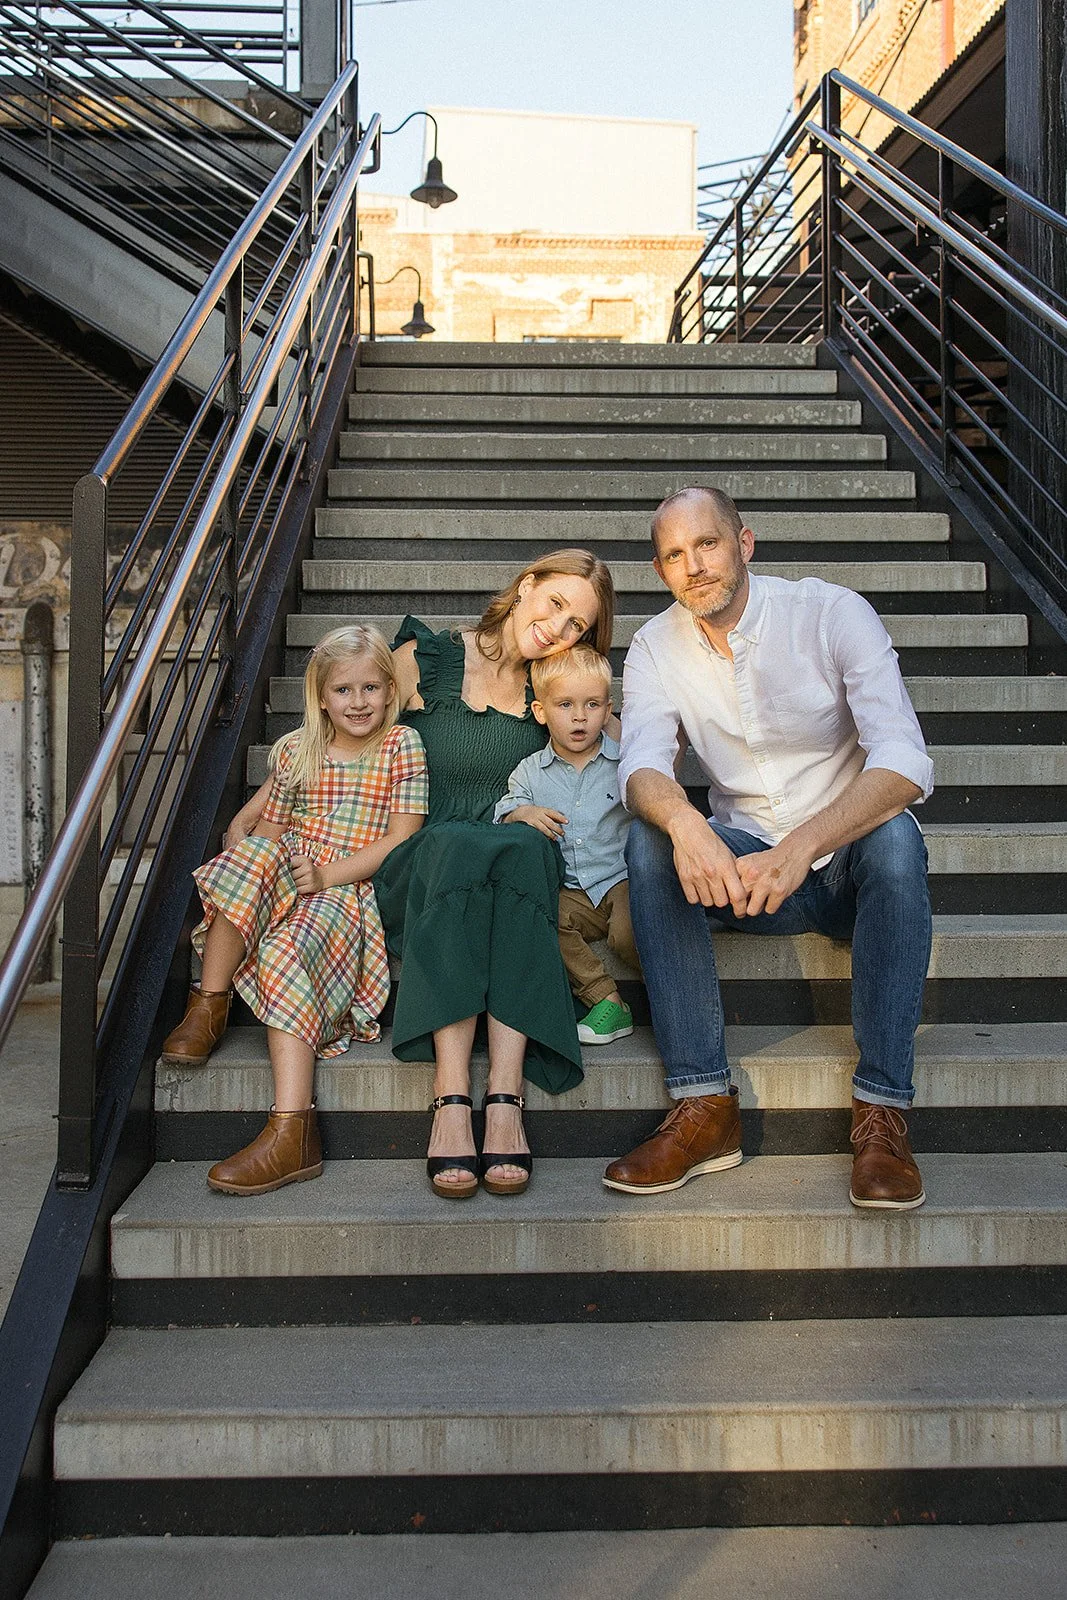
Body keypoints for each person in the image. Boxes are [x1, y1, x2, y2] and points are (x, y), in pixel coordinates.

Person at [228, 550, 615, 1201]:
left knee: (521, 846)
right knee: (462, 847)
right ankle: (450, 1093)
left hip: (508, 874)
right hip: (420, 868)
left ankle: (504, 1097)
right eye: (554, 605)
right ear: (526, 587)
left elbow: (617, 754)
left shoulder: (560, 692)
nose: (558, 629)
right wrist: (255, 810)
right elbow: (335, 738)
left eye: (577, 625)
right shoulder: (426, 659)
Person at [603, 485, 934, 1210]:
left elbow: (905, 763)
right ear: (660, 571)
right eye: (672, 555)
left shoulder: (830, 614)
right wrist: (688, 826)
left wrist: (806, 843)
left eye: (707, 544)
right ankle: (705, 1110)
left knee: (896, 841)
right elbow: (642, 765)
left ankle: (881, 1113)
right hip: (744, 874)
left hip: (844, 869)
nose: (692, 566)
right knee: (650, 843)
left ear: (744, 543)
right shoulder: (656, 646)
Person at [162, 624, 428, 1196]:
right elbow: (270, 831)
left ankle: (291, 1129)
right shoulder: (293, 750)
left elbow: (403, 837)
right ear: (320, 695)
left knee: (283, 947)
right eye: (343, 691)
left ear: (389, 690)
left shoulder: (401, 745)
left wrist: (328, 873)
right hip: (285, 873)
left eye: (371, 688)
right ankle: (209, 1007)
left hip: (343, 890)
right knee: (254, 853)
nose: (358, 703)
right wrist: (249, 851)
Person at [494, 645, 638, 1046]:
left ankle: (667, 988)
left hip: (619, 880)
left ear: (608, 710)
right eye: (565, 705)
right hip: (572, 889)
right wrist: (522, 814)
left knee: (630, 933)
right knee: (544, 918)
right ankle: (607, 999)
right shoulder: (530, 771)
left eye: (592, 704)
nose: (579, 716)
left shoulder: (623, 761)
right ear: (541, 712)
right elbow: (504, 809)